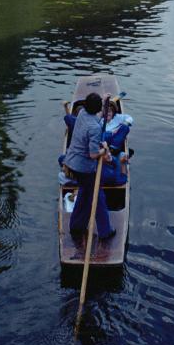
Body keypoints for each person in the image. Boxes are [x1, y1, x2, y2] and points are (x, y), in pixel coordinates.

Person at [63, 92, 116, 240]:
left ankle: (76, 226)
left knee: (85, 193)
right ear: (97, 108)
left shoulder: (82, 114)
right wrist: (104, 149)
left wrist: (105, 101)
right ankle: (105, 231)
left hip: (72, 162)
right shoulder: (95, 128)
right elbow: (93, 154)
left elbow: (97, 117)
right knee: (98, 197)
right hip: (84, 167)